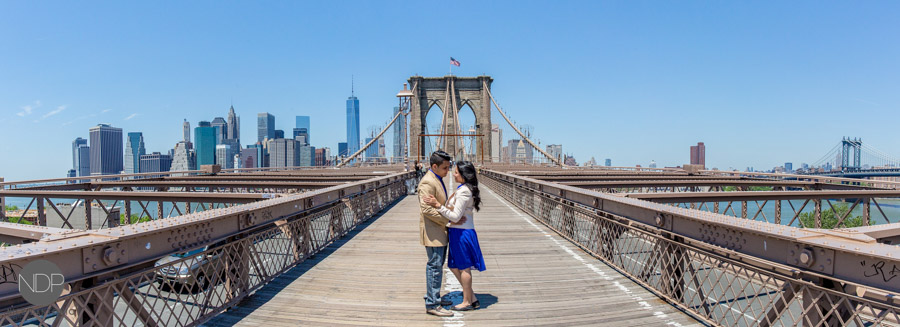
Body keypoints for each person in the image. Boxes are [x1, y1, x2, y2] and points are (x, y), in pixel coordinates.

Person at [423, 160, 485, 311]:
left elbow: (456, 216)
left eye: (456, 172)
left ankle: (467, 302)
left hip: (462, 233)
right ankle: (472, 297)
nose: (453, 173)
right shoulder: (462, 188)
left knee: (464, 268)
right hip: (457, 232)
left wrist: (437, 205)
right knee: (454, 265)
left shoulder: (464, 191)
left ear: (464, 175)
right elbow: (456, 215)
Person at [418, 151, 457, 317]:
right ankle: (432, 304)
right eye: (445, 168)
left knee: (437, 265)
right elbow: (426, 209)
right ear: (434, 166)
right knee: (434, 266)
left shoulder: (437, 178)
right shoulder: (427, 182)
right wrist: (447, 220)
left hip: (439, 231)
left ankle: (434, 297)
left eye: (449, 168)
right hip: (434, 232)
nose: (447, 171)